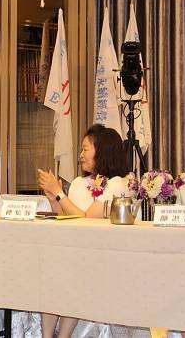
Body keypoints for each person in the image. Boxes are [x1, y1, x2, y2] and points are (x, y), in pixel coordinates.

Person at [36, 124, 130, 338]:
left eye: (85, 149)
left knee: (72, 274)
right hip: (72, 249)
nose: (81, 155)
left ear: (103, 151)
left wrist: (60, 193)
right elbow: (65, 216)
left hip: (101, 254)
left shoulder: (117, 184)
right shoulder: (79, 183)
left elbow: (87, 219)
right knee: (51, 272)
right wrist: (54, 199)